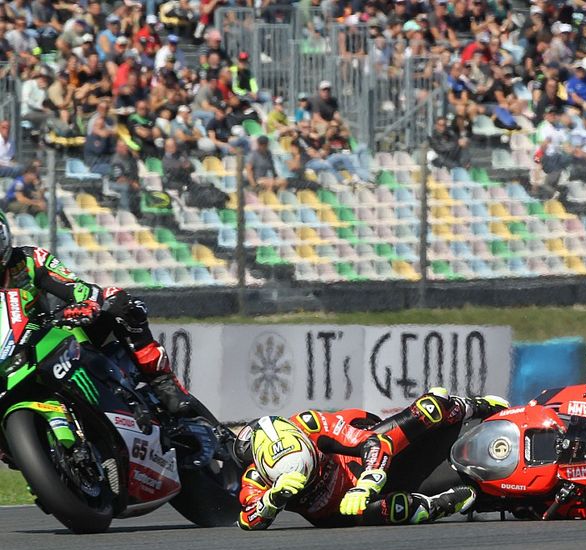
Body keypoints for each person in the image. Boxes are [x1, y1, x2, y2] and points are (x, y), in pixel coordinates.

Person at [0, 210, 193, 416]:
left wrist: (85, 303)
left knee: (116, 301)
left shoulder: (30, 261)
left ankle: (161, 381)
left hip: (53, 333)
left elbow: (78, 288)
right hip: (9, 359)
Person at [233, 389, 510, 530]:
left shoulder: (312, 424)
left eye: (314, 467)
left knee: (429, 406)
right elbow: (248, 521)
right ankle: (440, 504)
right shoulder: (256, 480)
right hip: (337, 512)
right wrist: (272, 501)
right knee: (391, 509)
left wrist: (365, 484)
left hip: (359, 455)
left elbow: (375, 443)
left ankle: (468, 406)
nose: (313, 480)